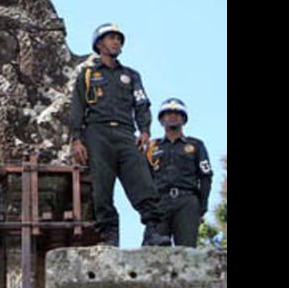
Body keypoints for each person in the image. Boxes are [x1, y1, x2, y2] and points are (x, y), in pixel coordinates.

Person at [69, 23, 170, 247]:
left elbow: (142, 104)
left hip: (126, 133)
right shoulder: (87, 75)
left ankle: (154, 230)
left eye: (118, 38)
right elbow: (77, 107)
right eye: (110, 38)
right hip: (97, 133)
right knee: (102, 187)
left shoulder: (131, 75)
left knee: (142, 182)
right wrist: (76, 139)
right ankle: (109, 235)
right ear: (99, 44)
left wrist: (144, 131)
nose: (116, 42)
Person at [145, 98, 213, 247]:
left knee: (187, 250)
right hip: (159, 202)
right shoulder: (152, 147)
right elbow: (144, 179)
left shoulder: (195, 145)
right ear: (162, 119)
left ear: (183, 119)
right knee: (153, 250)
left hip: (187, 201)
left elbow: (206, 176)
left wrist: (202, 206)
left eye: (177, 114)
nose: (172, 117)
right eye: (168, 113)